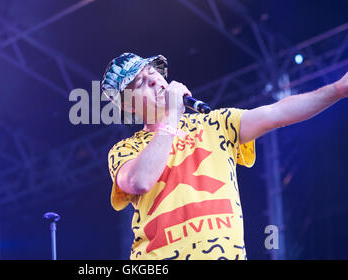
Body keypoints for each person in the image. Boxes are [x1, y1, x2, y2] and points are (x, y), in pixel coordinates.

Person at [101, 52, 348, 260]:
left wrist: (337, 89)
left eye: (152, 73)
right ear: (128, 105)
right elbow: (140, 181)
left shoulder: (215, 123)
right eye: (141, 82)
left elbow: (276, 113)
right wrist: (171, 117)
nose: (153, 80)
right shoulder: (126, 150)